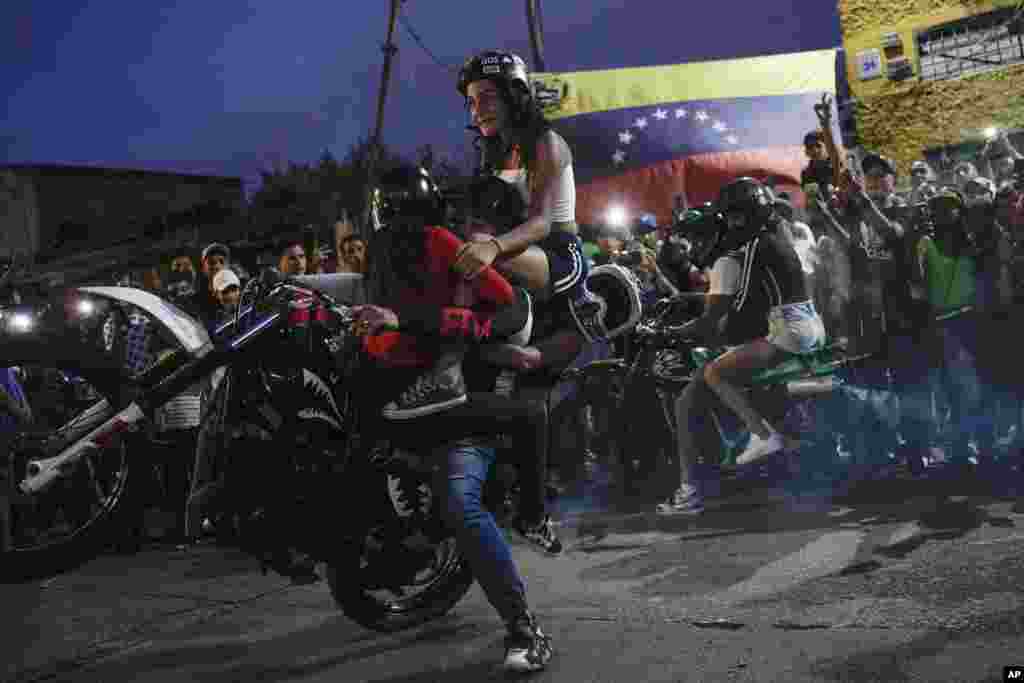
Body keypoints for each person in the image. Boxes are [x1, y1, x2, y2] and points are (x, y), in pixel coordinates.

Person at [353, 168, 556, 672]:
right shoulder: (386, 256)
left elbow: (509, 314)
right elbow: (372, 306)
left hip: (456, 404)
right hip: (404, 401)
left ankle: (524, 628)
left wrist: (437, 325)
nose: (475, 228)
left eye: (486, 221)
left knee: (461, 504)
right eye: (472, 217)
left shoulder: (451, 248)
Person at [656, 178, 825, 514]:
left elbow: (733, 309)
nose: (696, 246)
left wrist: (677, 331)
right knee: (712, 378)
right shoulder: (776, 236)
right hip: (807, 323)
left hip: (788, 329)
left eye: (732, 219)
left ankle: (761, 436)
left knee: (713, 373)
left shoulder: (746, 252)